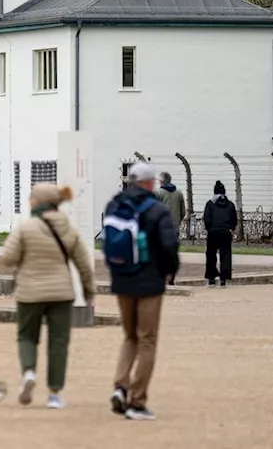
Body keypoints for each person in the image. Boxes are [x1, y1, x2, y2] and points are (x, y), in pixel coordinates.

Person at [1, 183, 96, 410]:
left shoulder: (25, 228)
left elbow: (8, 258)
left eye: (31, 198)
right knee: (59, 342)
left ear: (37, 202)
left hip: (29, 293)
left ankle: (29, 372)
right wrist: (88, 292)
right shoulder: (69, 229)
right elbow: (84, 265)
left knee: (27, 336)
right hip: (61, 293)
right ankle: (54, 393)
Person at [104, 161, 179, 422]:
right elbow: (169, 246)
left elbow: (107, 243)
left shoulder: (114, 205)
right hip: (149, 282)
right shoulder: (157, 209)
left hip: (122, 279)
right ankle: (137, 401)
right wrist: (170, 271)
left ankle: (120, 386)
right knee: (147, 339)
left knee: (129, 336)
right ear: (149, 183)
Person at [203, 180, 238, 287]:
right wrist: (231, 228)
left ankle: (211, 277)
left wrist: (209, 228)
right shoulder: (230, 204)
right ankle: (224, 278)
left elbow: (207, 218)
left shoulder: (210, 204)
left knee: (211, 255)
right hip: (225, 232)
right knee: (226, 255)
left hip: (213, 232)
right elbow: (234, 219)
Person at [154, 172, 186, 284]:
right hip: (175, 227)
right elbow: (183, 211)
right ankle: (171, 277)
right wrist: (177, 220)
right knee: (172, 253)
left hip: (161, 228)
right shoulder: (179, 193)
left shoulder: (158, 193)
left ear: (161, 181)